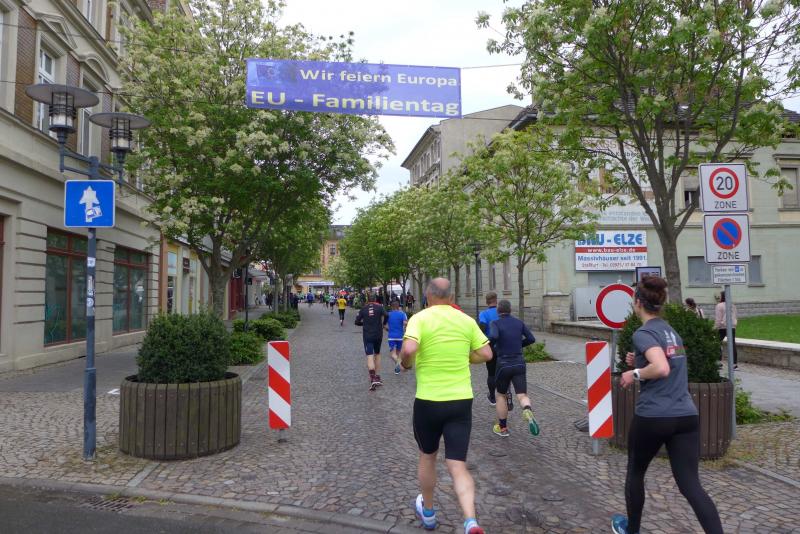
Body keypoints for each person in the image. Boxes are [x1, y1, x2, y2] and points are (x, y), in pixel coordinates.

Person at [611, 276, 723, 534]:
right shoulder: (671, 332)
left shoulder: (643, 333)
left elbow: (661, 367)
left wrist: (633, 373)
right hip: (686, 416)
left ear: (638, 303)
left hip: (654, 415)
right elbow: (669, 361)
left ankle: (632, 530)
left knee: (635, 472)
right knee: (691, 485)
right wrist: (639, 361)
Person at [400, 278, 492, 534]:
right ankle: (471, 520)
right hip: (460, 401)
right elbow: (487, 354)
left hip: (428, 401)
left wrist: (406, 363)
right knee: (457, 464)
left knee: (428, 456)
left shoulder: (420, 318)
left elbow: (409, 348)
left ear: (427, 296)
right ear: (451, 297)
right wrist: (467, 357)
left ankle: (429, 514)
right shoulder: (466, 320)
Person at [487, 300, 539, 437]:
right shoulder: (519, 323)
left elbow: (494, 336)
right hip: (519, 363)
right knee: (522, 395)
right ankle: (527, 409)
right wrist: (518, 345)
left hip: (503, 364)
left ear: (498, 311)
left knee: (501, 395)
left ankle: (503, 428)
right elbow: (531, 338)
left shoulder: (495, 323)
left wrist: (491, 346)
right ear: (510, 310)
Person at [479, 292, 511, 412]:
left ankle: (492, 398)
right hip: (504, 346)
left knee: (491, 373)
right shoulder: (501, 312)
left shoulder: (483, 314)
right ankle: (505, 395)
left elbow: (482, 327)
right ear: (496, 301)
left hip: (491, 347)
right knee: (504, 371)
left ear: (486, 301)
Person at [355, 294, 387, 390]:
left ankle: (372, 378)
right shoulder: (380, 307)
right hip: (378, 334)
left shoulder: (363, 309)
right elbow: (387, 315)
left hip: (368, 335)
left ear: (367, 299)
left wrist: (363, 323)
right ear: (375, 299)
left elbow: (356, 322)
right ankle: (377, 376)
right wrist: (384, 324)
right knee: (377, 354)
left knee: (369, 355)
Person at [714, 291, 738, 369]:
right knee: (732, 344)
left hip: (722, 327)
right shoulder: (732, 305)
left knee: (716, 343)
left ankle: (718, 362)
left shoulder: (719, 305)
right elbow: (735, 316)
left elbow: (718, 318)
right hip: (732, 326)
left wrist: (715, 327)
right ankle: (734, 364)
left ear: (722, 296)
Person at [384, 300, 408, 374]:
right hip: (400, 336)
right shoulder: (402, 314)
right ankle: (398, 368)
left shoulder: (388, 314)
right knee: (398, 353)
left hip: (391, 336)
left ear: (391, 307)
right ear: (398, 306)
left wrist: (387, 329)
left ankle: (399, 365)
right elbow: (405, 323)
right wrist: (404, 328)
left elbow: (384, 325)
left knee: (393, 354)